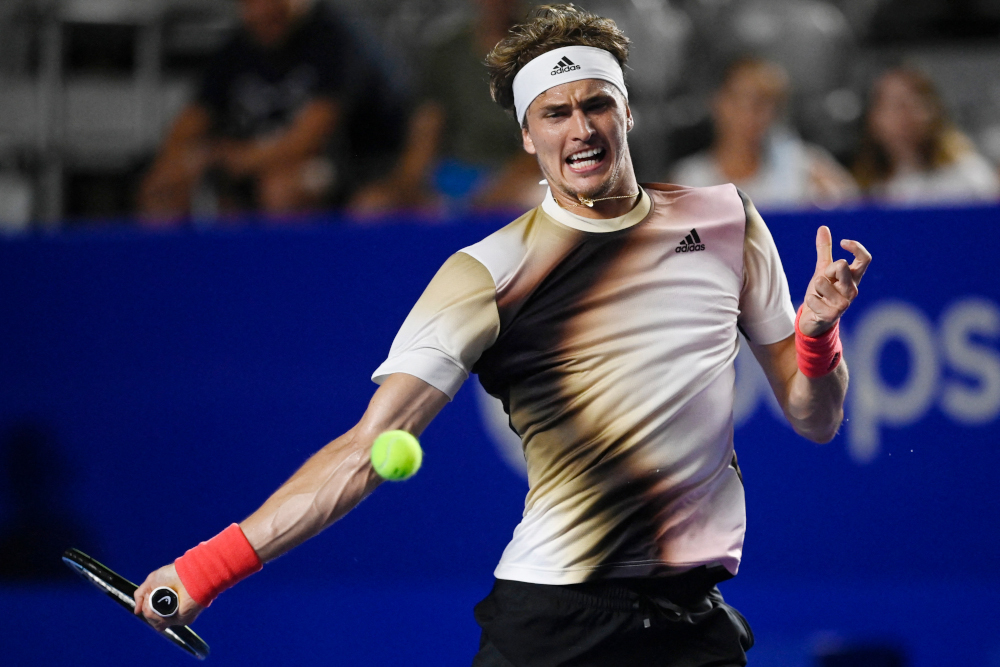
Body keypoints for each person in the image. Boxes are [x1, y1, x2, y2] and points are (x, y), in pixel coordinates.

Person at [135, 6, 871, 666]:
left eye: (595, 104)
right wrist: (204, 570)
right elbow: (362, 452)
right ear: (527, 133)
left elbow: (817, 416)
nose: (580, 128)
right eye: (554, 113)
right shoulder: (487, 271)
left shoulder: (724, 220)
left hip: (690, 625)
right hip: (554, 625)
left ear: (627, 112)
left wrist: (815, 338)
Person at [138, 0, 405, 223]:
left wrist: (221, 158)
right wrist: (174, 166)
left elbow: (306, 140)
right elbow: (192, 120)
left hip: (351, 168)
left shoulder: (335, 40)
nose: (262, 11)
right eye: (251, 3)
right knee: (164, 188)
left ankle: (293, 281)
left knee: (280, 188)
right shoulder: (236, 48)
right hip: (253, 162)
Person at [348, 0, 545, 215]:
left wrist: (497, 191)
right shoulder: (449, 53)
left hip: (515, 177)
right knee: (371, 206)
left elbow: (547, 135)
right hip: (450, 176)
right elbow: (426, 130)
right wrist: (406, 187)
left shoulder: (543, 54)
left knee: (541, 199)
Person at [670, 57, 858, 210]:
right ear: (717, 102)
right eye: (741, 99)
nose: (752, 112)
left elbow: (852, 222)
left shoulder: (809, 169)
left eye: (764, 102)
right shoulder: (689, 181)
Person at [852, 66, 1000, 206]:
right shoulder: (868, 187)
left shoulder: (967, 175)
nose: (907, 115)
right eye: (896, 105)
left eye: (916, 103)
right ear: (873, 118)